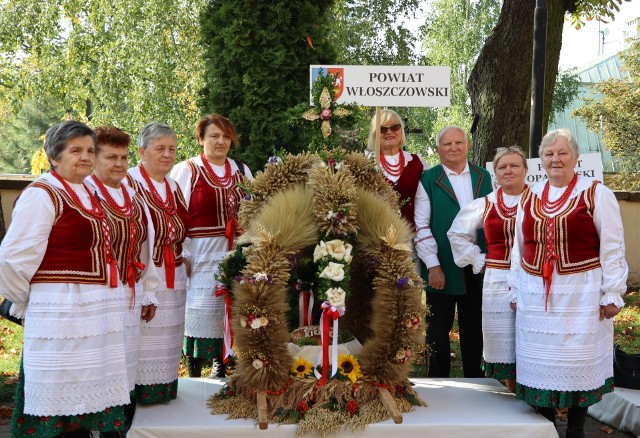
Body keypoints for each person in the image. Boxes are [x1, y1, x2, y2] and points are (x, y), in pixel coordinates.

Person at [0, 121, 154, 438]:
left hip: (93, 317)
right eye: (75, 150)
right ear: (55, 156)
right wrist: (28, 301)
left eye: (88, 150)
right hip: (63, 316)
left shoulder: (86, 192)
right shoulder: (43, 194)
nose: (85, 156)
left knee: (85, 407)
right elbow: (12, 260)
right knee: (62, 410)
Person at [510, 129, 628, 438]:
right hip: (537, 295)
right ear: (541, 160)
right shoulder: (530, 195)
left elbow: (612, 245)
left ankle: (576, 428)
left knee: (578, 360)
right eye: (549, 154)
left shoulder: (595, 192)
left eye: (562, 152)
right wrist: (514, 288)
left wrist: (612, 291)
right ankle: (545, 425)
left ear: (575, 157)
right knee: (541, 360)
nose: (555, 159)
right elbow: (518, 247)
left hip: (581, 292)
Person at [86, 125, 161, 437]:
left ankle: (116, 431)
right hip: (95, 300)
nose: (118, 163)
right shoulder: (85, 193)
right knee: (97, 368)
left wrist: (149, 292)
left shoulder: (132, 196)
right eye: (110, 157)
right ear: (93, 158)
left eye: (123, 157)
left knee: (123, 368)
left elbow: (147, 244)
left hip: (128, 296)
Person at [170, 114, 252, 378]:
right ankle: (193, 367)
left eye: (226, 136)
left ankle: (221, 361)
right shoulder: (188, 170)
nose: (221, 141)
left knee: (226, 304)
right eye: (214, 136)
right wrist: (180, 254)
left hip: (233, 250)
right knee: (198, 306)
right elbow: (174, 213)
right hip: (199, 251)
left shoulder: (241, 169)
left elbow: (252, 208)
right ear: (201, 139)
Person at [447, 146, 529, 392]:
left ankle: (537, 400)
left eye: (514, 165)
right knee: (505, 342)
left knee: (532, 339)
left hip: (533, 278)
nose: (508, 170)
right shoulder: (486, 204)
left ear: (526, 170)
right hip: (498, 280)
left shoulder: (540, 200)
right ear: (495, 174)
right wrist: (479, 259)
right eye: (502, 167)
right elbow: (457, 233)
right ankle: (513, 397)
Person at [414, 125, 492, 378]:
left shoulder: (485, 177)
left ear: (467, 145)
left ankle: (476, 386)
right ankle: (439, 387)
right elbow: (421, 224)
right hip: (442, 265)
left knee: (475, 329)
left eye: (458, 142)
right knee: (437, 331)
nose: (454, 147)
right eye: (447, 144)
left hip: (478, 264)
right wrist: (432, 265)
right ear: (438, 149)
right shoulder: (428, 179)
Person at [126, 123, 190, 403]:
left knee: (169, 334)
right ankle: (136, 396)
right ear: (142, 151)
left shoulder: (174, 185)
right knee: (144, 333)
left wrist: (185, 256)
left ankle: (162, 391)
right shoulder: (130, 183)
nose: (167, 154)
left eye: (172, 149)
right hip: (145, 272)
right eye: (160, 148)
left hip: (173, 271)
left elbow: (184, 224)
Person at [366, 109, 427, 228]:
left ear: (401, 130)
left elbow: (424, 201)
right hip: (376, 238)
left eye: (395, 127)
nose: (389, 132)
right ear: (374, 134)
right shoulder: (366, 163)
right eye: (382, 129)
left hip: (411, 237)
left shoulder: (417, 162)